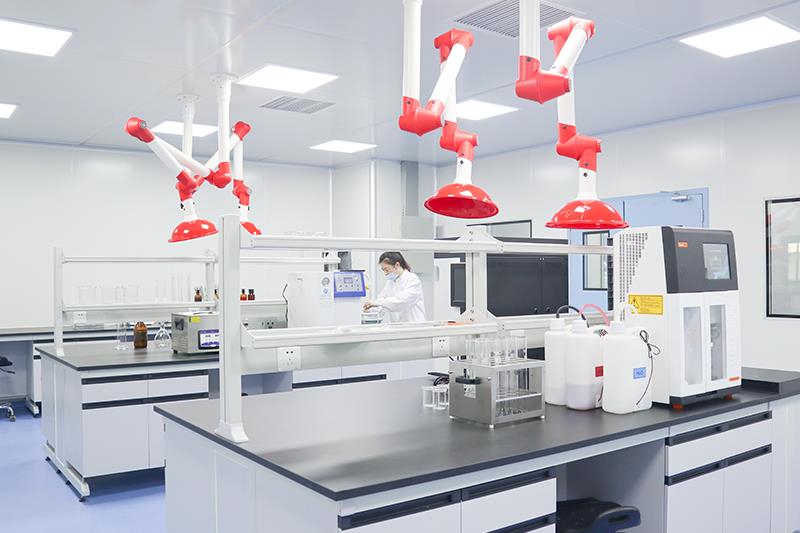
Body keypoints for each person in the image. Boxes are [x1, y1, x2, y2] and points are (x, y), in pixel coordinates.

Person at [363, 251, 427, 323]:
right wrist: (370, 308)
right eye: (383, 270)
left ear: (397, 265)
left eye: (387, 270)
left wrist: (378, 303)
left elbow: (402, 301)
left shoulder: (412, 279)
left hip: (414, 325)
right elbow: (381, 300)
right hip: (398, 326)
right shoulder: (390, 283)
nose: (385, 273)